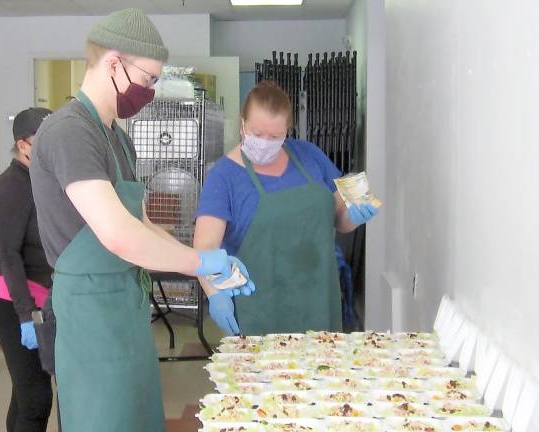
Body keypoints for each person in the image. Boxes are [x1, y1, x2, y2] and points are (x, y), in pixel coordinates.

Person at [29, 9, 252, 432]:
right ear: (114, 63)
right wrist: (202, 264)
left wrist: (210, 273)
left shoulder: (118, 138)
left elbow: (145, 224)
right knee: (103, 419)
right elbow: (118, 234)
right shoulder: (70, 132)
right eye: (149, 79)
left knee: (137, 416)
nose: (150, 90)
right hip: (91, 311)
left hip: (126, 306)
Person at [194, 81, 379, 336]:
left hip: (319, 306)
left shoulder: (310, 156)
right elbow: (204, 250)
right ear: (242, 124)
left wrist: (355, 216)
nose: (265, 143)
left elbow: (340, 219)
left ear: (287, 131)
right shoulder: (224, 177)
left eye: (275, 136)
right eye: (258, 134)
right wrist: (215, 296)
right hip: (260, 313)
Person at [0, 107, 54, 432]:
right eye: (44, 140)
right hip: (12, 304)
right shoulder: (9, 188)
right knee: (36, 400)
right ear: (23, 145)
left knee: (24, 396)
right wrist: (26, 315)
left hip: (40, 300)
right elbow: (7, 256)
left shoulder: (43, 182)